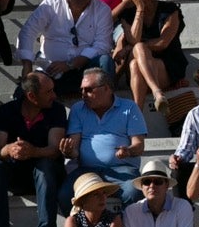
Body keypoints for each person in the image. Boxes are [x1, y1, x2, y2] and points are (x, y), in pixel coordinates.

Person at [0, 70, 65, 227]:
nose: (54, 95)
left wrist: (32, 151)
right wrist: (10, 149)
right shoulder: (6, 111)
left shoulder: (57, 110)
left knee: (45, 165)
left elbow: (55, 150)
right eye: (48, 92)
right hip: (17, 174)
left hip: (47, 174)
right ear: (31, 96)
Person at [16, 0, 113, 98]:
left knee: (105, 61)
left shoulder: (102, 9)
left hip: (84, 70)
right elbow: (27, 31)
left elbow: (103, 45)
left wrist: (71, 64)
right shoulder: (50, 5)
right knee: (22, 94)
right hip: (51, 70)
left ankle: (104, 108)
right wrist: (27, 65)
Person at [59, 65, 146, 199]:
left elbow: (139, 146)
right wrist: (69, 152)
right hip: (87, 171)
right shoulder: (77, 109)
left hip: (122, 169)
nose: (83, 94)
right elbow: (75, 150)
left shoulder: (129, 107)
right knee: (65, 194)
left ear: (106, 88)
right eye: (81, 90)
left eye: (88, 90)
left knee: (133, 192)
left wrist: (128, 151)